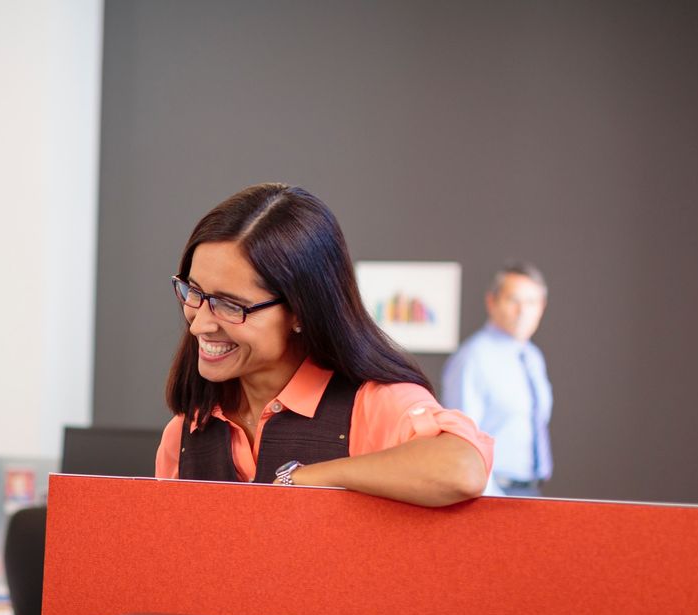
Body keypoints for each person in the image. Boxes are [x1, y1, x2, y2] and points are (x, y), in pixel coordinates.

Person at [156, 183, 493, 507]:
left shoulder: (372, 406)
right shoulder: (185, 432)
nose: (198, 323)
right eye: (194, 292)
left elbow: (461, 468)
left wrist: (304, 478)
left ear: (300, 311)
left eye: (231, 305)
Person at [441, 263, 552, 496]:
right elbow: (464, 442)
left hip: (532, 492)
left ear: (542, 307)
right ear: (492, 302)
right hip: (494, 493)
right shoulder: (472, 359)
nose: (523, 311)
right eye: (513, 300)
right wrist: (491, 500)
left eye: (532, 302)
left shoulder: (532, 357)